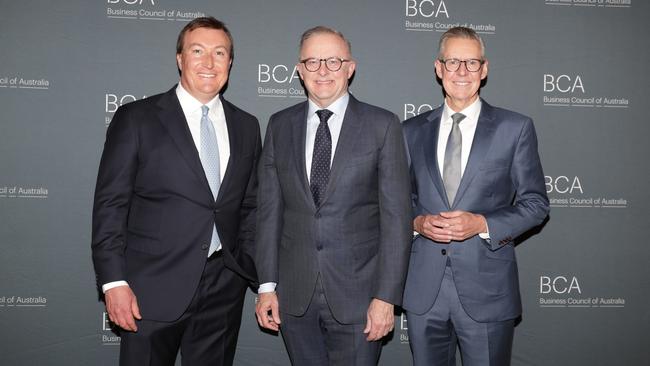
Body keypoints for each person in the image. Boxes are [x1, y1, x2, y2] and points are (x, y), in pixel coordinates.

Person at [91, 16, 260, 366]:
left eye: (219, 52)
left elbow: (250, 207)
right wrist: (113, 282)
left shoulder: (247, 125)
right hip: (149, 288)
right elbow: (111, 205)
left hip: (224, 289)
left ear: (230, 62)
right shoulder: (136, 118)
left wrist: (255, 273)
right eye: (197, 51)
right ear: (180, 59)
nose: (209, 62)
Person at [254, 26, 412, 366]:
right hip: (294, 298)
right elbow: (268, 213)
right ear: (299, 69)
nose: (322, 70)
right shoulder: (279, 125)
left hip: (360, 298)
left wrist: (386, 297)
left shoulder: (382, 125)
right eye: (312, 62)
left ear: (350, 67)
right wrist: (266, 285)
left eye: (333, 61)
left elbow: (397, 219)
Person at [402, 26, 550, 366]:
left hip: (488, 291)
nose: (462, 72)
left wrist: (482, 223)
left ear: (484, 69)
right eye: (453, 62)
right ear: (438, 68)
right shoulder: (409, 131)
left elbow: (536, 204)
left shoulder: (515, 128)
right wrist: (418, 222)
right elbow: (397, 200)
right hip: (424, 291)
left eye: (471, 62)